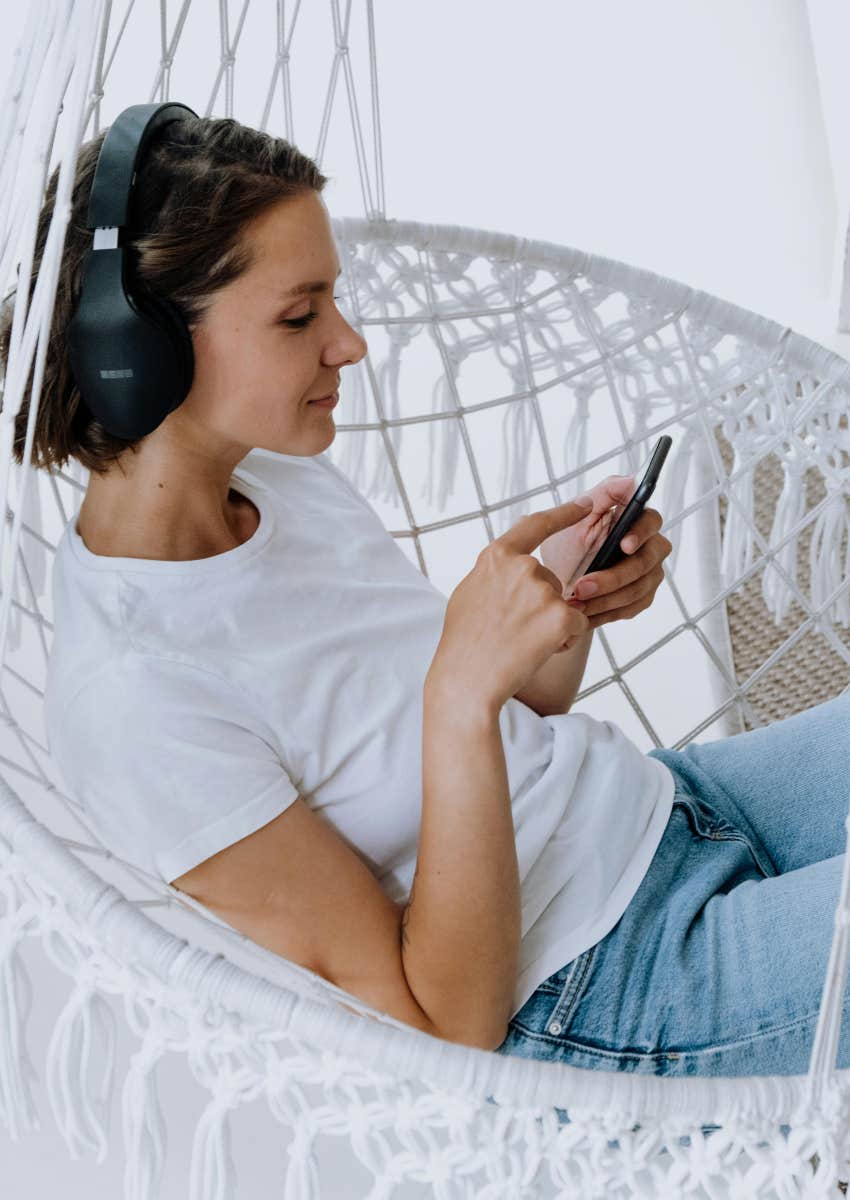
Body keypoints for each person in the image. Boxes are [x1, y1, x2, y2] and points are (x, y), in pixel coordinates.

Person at [4, 113, 849, 1076]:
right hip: (611, 982)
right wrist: (460, 690)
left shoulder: (275, 481)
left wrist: (549, 614)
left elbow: (511, 729)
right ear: (139, 351)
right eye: (299, 315)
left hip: (663, 809)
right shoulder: (133, 700)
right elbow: (443, 1027)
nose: (349, 342)